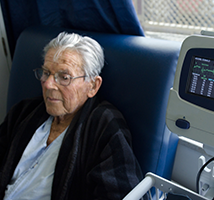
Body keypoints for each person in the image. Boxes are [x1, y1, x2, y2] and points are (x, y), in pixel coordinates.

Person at [0, 32, 145, 200]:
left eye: (64, 77)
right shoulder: (24, 112)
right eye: (46, 73)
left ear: (92, 86)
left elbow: (120, 193)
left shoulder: (104, 126)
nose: (48, 84)